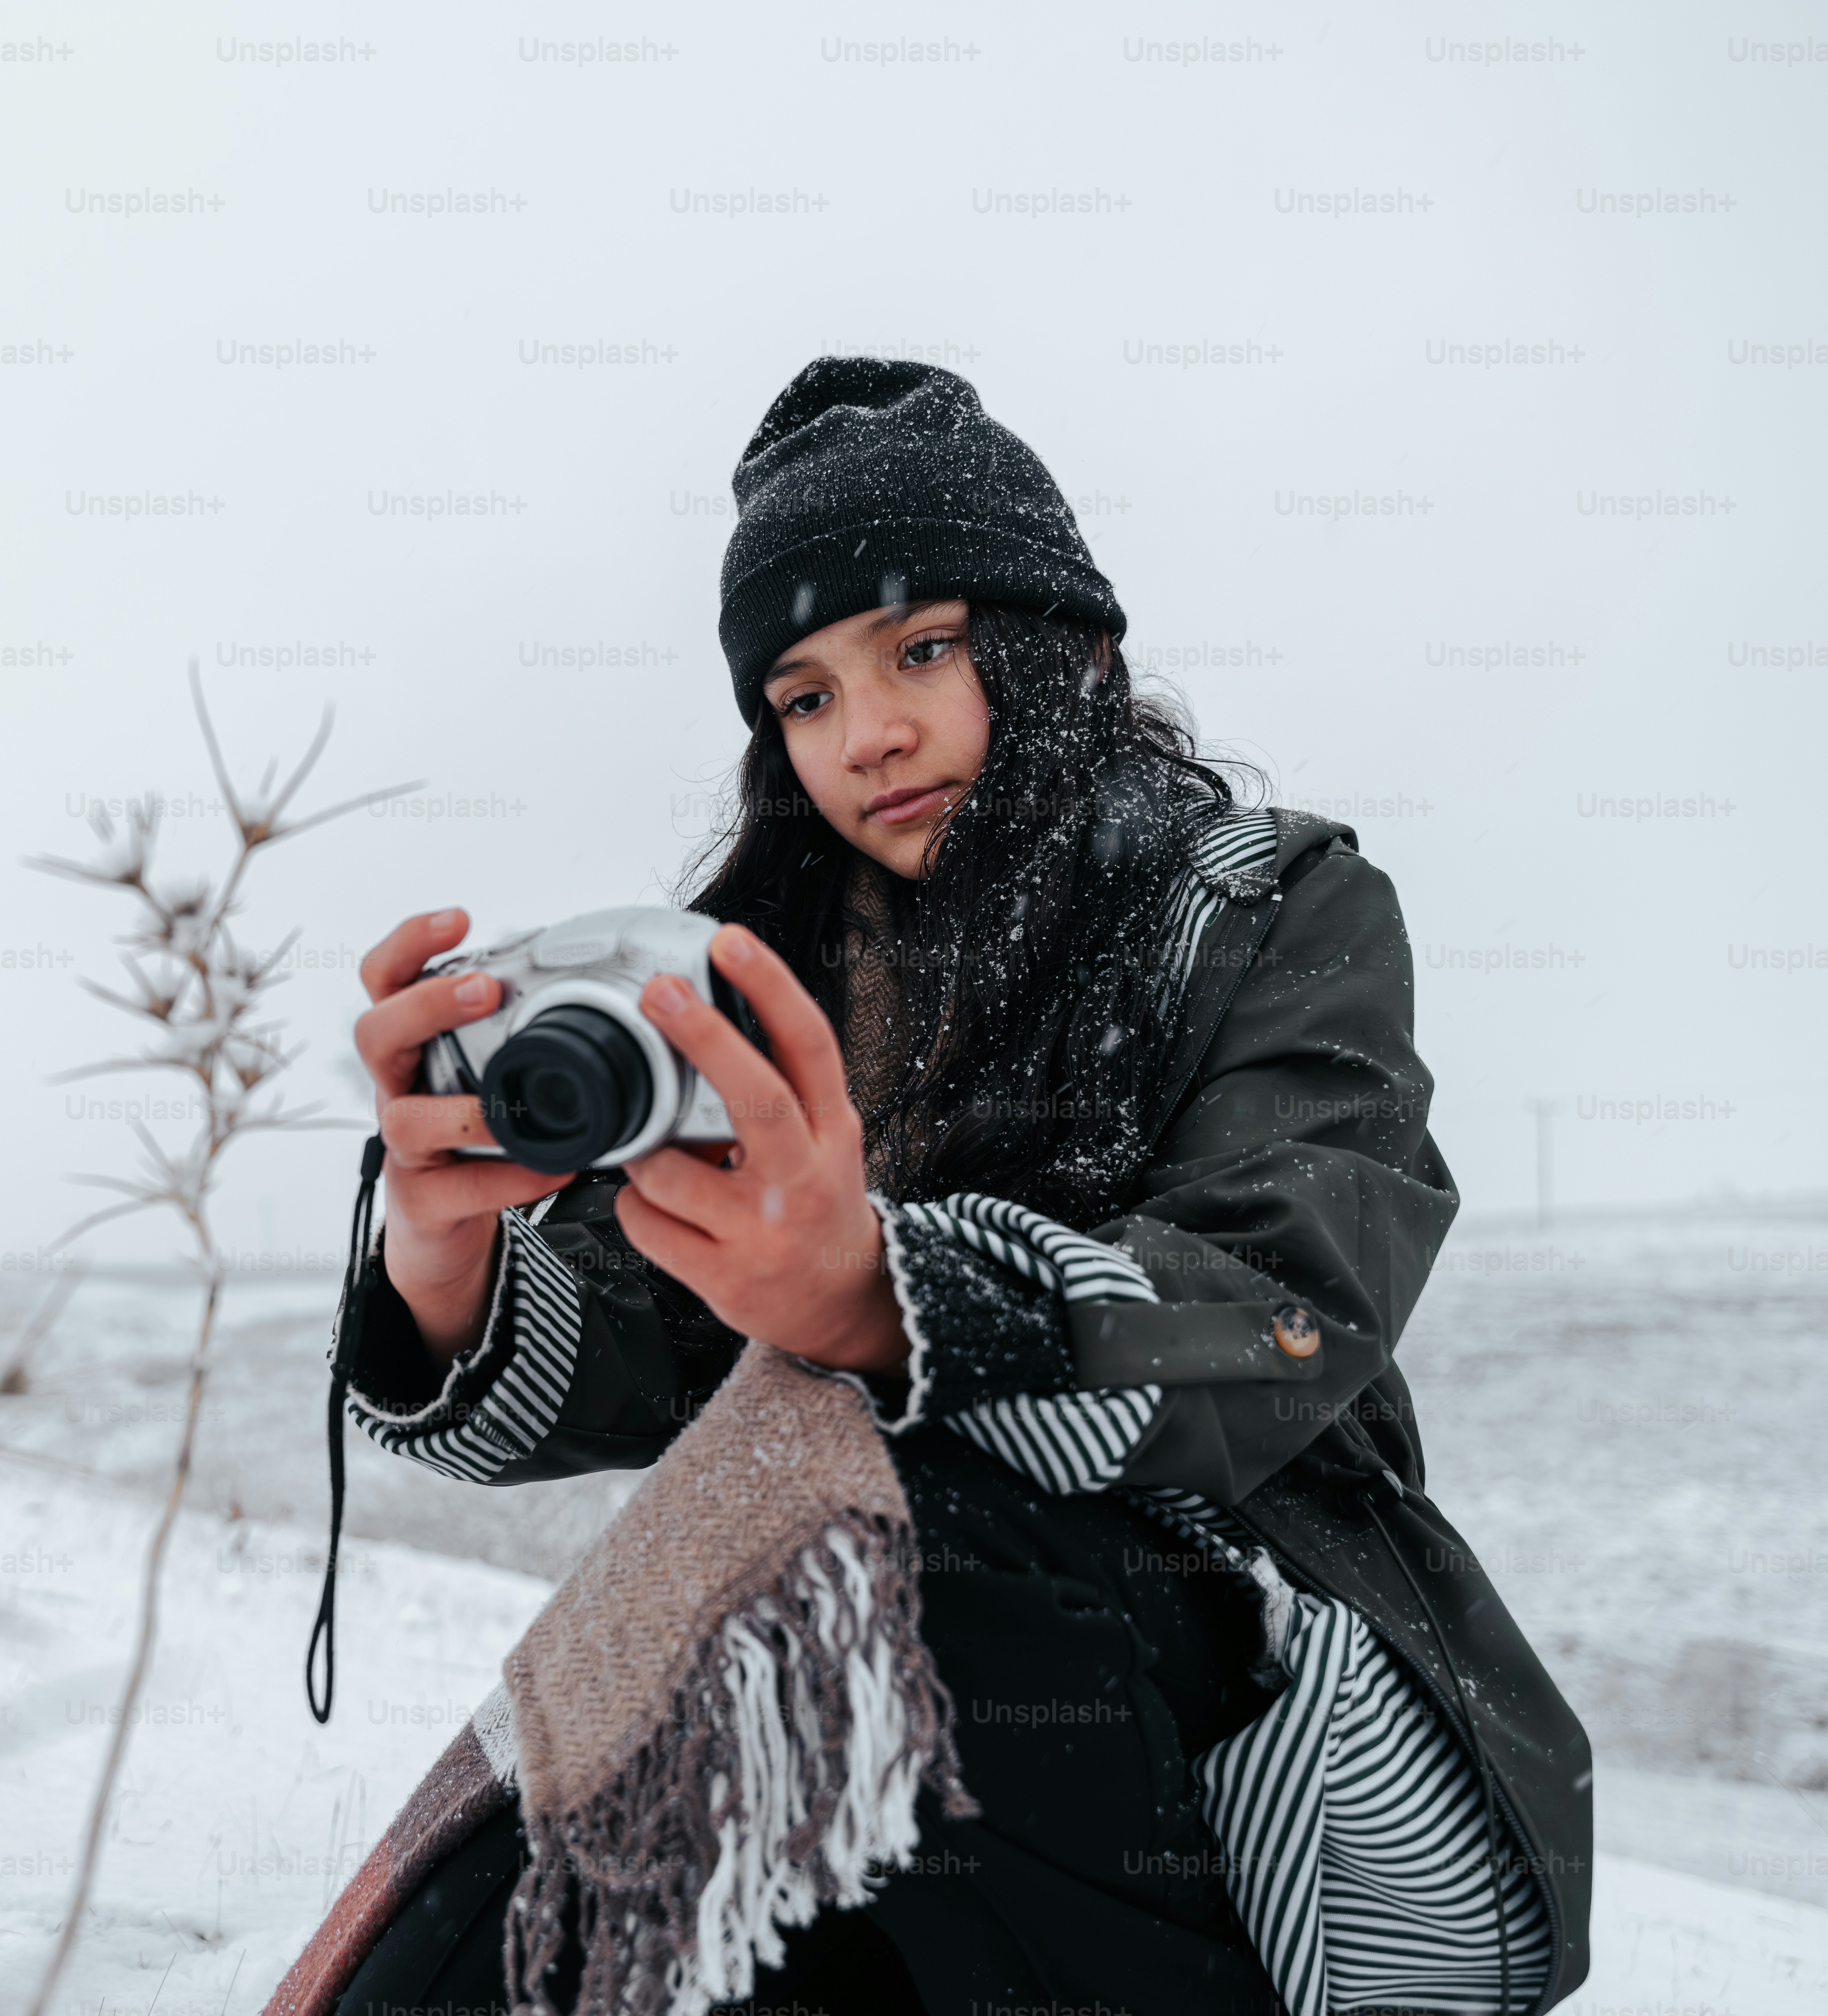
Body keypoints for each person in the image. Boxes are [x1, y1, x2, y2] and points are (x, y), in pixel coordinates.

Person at [315, 360, 1589, 2016]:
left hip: (1284, 1728)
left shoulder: (1275, 908)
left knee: (873, 1552)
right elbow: (651, 1349)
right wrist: (448, 1253)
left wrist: (871, 1297)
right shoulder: (781, 995)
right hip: (935, 1771)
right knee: (571, 1846)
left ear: (1072, 644)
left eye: (921, 650)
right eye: (807, 696)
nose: (874, 734)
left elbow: (1279, 1316)